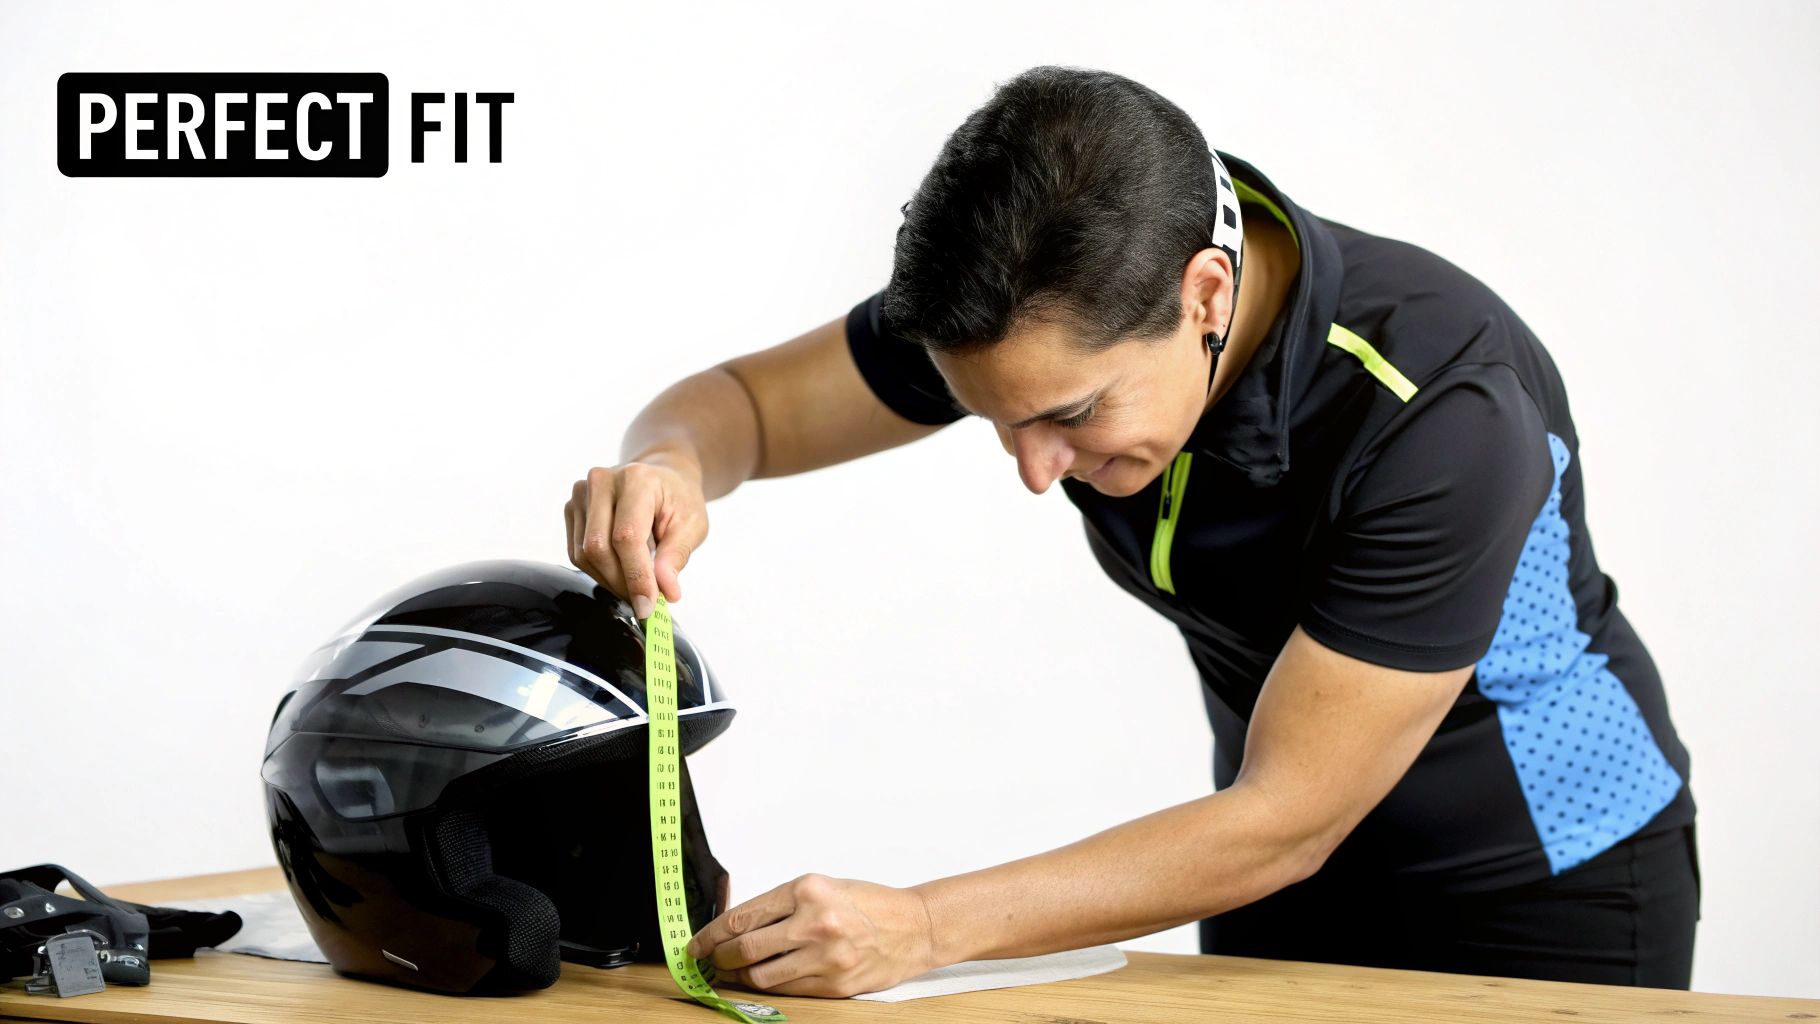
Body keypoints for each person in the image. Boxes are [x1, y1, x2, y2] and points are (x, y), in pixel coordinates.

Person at [562, 65, 1699, 996]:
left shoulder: (1440, 409)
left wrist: (918, 924)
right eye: (992, 420)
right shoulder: (1040, 309)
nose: (1034, 469)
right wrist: (669, 464)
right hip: (1264, 874)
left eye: (1068, 417)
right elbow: (747, 410)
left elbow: (1286, 815)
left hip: (1544, 877)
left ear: (1207, 294)